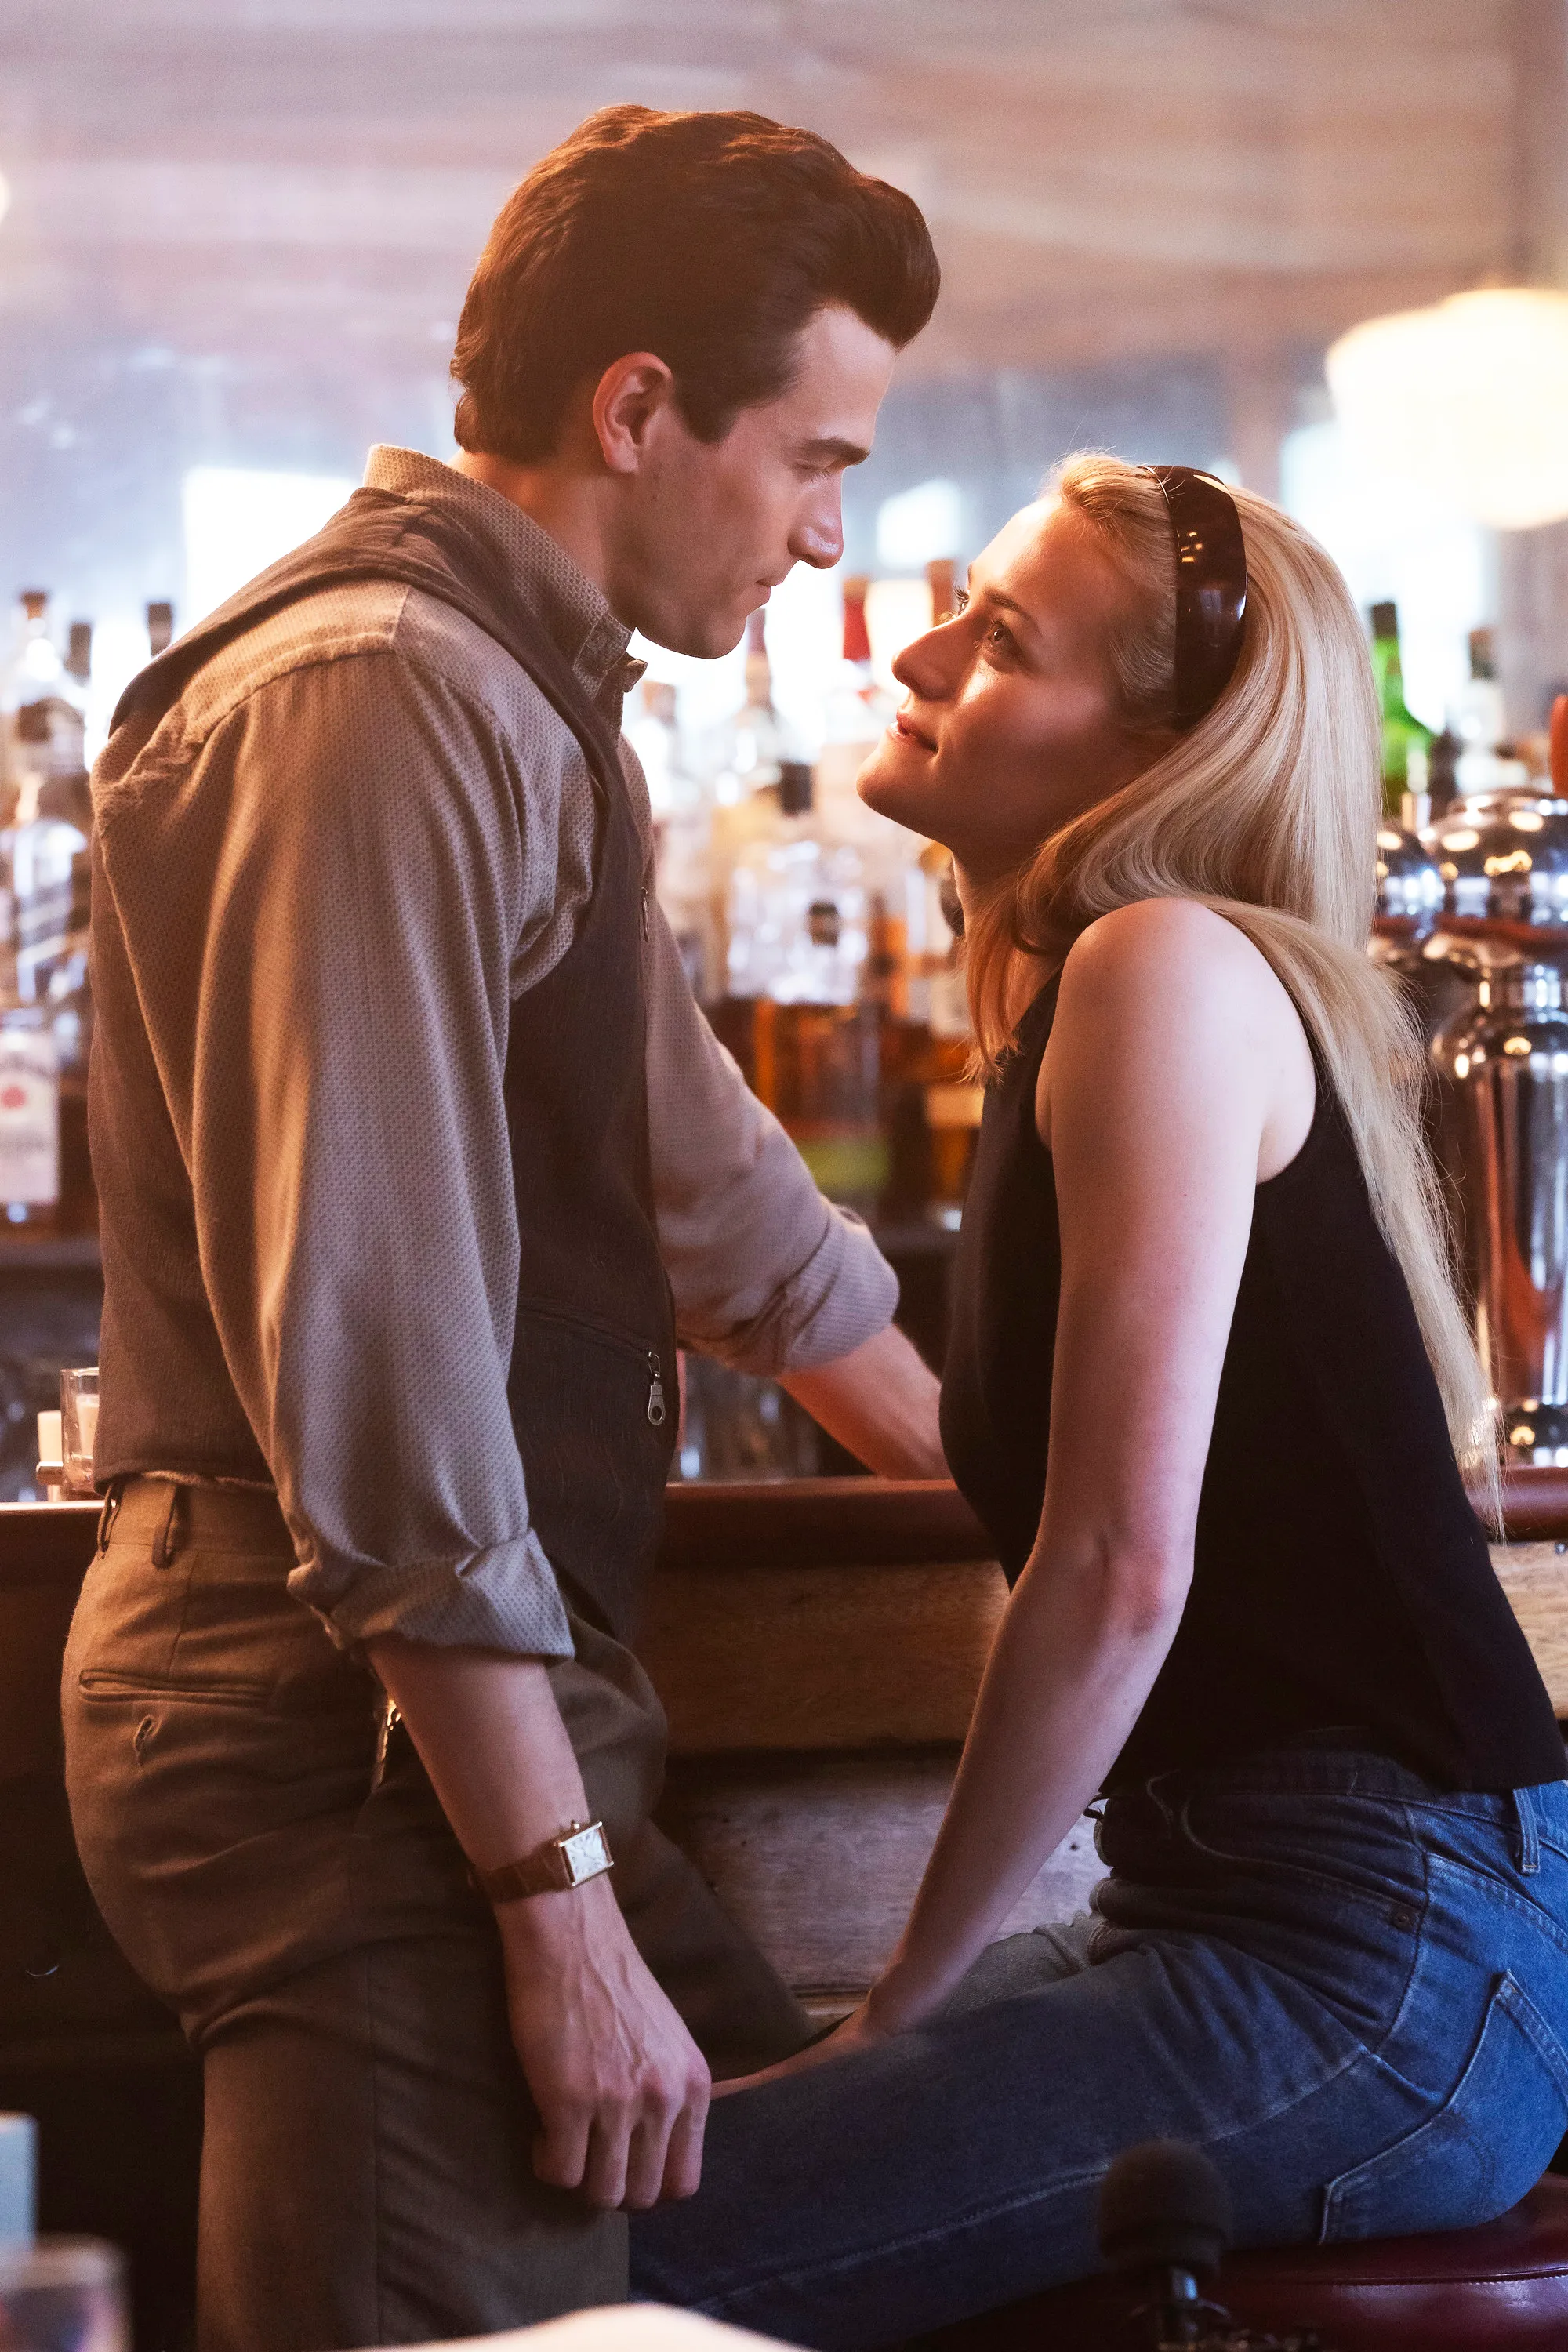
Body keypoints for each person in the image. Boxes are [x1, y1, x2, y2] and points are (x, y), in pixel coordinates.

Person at [62, 106, 944, 2352]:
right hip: (345, 1734)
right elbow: (381, 1363)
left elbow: (716, 1193)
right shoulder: (378, 696)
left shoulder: (524, 690)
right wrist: (555, 1905)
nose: (828, 533)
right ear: (635, 409)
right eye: (813, 459)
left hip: (459, 1714)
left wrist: (1014, 1497)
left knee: (823, 2212)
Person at [630, 456, 1568, 2347]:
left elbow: (1120, 1566)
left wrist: (900, 2005)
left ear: (1157, 750)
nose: (919, 655)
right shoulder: (1110, 993)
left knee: (629, 2262)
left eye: (1001, 641)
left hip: (1372, 1955)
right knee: (630, 2187)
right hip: (1269, 1911)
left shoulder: (1162, 968)